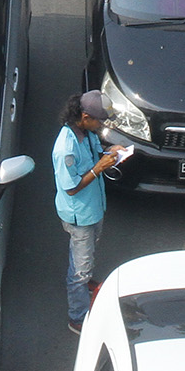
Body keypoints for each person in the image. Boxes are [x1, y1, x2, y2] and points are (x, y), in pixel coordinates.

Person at [52, 91, 122, 335]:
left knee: (88, 250)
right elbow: (71, 188)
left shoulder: (86, 132)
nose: (101, 125)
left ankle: (85, 275)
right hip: (80, 215)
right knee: (79, 270)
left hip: (93, 209)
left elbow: (96, 155)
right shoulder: (65, 149)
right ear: (85, 116)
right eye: (100, 120)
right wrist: (98, 168)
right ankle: (78, 317)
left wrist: (111, 152)